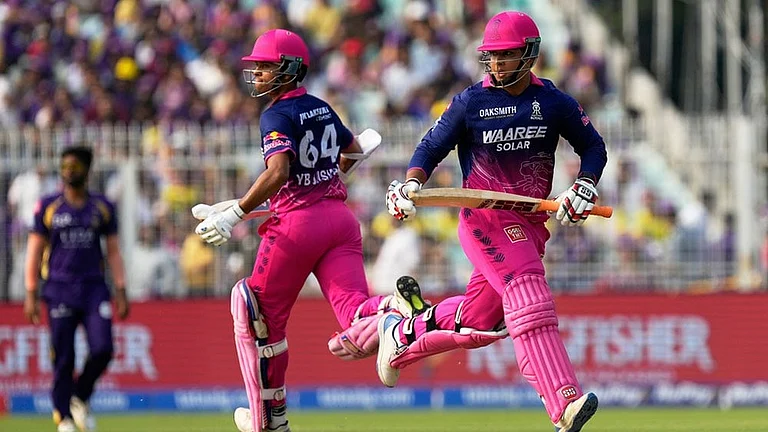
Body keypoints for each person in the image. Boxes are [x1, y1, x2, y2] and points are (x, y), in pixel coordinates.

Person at [376, 11, 607, 432]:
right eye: (492, 57)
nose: (498, 65)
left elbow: (593, 147)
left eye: (507, 56)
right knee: (528, 293)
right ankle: (563, 402)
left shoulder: (554, 102)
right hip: (484, 220)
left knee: (480, 320)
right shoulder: (471, 102)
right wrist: (410, 183)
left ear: (530, 54)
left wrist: (584, 186)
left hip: (530, 225)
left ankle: (402, 334)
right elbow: (430, 148)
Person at [193, 29, 426, 432]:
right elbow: (353, 151)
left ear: (290, 69)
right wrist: (246, 204)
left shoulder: (276, 115)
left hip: (297, 229)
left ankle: (269, 420)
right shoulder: (320, 106)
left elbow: (280, 170)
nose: (259, 74)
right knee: (355, 311)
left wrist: (236, 213)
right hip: (339, 219)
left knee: (253, 314)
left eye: (266, 66)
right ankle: (392, 315)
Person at [24, 146, 130, 432]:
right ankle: (64, 417)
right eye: (65, 166)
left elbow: (114, 252)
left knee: (103, 349)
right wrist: (31, 291)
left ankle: (79, 396)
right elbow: (34, 251)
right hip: (58, 289)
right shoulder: (48, 206)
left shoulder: (102, 206)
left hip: (94, 288)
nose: (69, 171)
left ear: (86, 170)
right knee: (64, 356)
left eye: (74, 166)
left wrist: (121, 289)